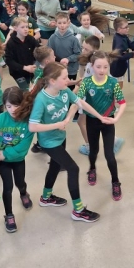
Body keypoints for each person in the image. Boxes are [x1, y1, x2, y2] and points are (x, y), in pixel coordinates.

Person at [28, 62, 107, 223]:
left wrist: (100, 117)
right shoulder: (42, 99)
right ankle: (78, 210)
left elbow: (80, 103)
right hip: (49, 142)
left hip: (60, 137)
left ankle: (46, 197)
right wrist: (58, 124)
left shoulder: (64, 91)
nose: (68, 80)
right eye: (64, 78)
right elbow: (32, 126)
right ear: (52, 81)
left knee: (55, 166)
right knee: (73, 168)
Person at [0, 87, 36, 233]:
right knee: (7, 187)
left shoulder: (27, 122)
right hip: (2, 161)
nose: (12, 109)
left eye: (16, 105)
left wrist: (6, 154)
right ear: (4, 105)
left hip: (18, 159)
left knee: (20, 182)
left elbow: (24, 146)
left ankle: (23, 193)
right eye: (9, 106)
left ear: (22, 104)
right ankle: (9, 215)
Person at [76, 51, 126, 200]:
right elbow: (78, 100)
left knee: (109, 155)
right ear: (91, 66)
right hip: (92, 121)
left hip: (108, 122)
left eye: (105, 67)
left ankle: (115, 182)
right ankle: (92, 168)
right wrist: (66, 119)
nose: (102, 70)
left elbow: (122, 102)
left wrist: (115, 119)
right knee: (93, 151)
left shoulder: (112, 82)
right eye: (98, 67)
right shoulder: (86, 82)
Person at [74, 36, 124, 156]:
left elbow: (86, 82)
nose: (83, 51)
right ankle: (111, 140)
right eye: (82, 48)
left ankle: (90, 146)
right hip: (94, 98)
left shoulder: (93, 65)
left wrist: (74, 90)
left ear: (94, 49)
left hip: (90, 99)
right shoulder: (96, 62)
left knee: (83, 122)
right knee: (97, 121)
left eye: (86, 49)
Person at [4, 17, 38, 91]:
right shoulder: (11, 43)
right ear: (15, 28)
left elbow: (39, 50)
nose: (26, 29)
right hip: (17, 72)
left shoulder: (31, 39)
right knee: (25, 90)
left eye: (27, 27)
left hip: (31, 69)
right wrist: (24, 68)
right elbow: (8, 61)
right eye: (22, 27)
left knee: (35, 88)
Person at [48, 12, 81, 85]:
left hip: (71, 70)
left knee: (70, 88)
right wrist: (59, 60)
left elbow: (78, 54)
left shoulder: (73, 39)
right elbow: (49, 53)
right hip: (56, 69)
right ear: (56, 24)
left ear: (68, 23)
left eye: (64, 23)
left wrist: (68, 59)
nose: (62, 25)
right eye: (59, 23)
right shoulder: (52, 38)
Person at [110, 17, 134, 90]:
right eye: (126, 27)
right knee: (117, 87)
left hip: (121, 66)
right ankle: (116, 97)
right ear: (119, 29)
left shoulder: (123, 36)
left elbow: (131, 44)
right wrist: (132, 54)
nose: (128, 28)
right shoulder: (119, 41)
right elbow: (119, 56)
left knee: (120, 85)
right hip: (117, 68)